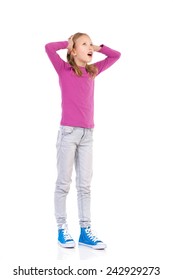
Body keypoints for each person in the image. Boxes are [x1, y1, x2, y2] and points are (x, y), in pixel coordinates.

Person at [45, 32, 121, 250]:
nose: (89, 47)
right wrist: (67, 43)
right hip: (68, 134)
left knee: (84, 186)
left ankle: (85, 231)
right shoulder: (63, 69)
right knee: (63, 183)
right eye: (84, 44)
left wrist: (98, 47)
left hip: (88, 135)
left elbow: (116, 55)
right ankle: (62, 229)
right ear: (73, 50)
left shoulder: (92, 70)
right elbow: (49, 47)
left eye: (90, 44)